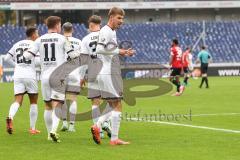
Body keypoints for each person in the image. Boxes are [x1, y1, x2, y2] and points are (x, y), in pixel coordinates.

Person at [24, 16, 80, 142]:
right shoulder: (62, 38)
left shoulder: (40, 39)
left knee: (48, 106)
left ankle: (49, 134)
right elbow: (72, 55)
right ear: (58, 25)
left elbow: (27, 55)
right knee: (58, 105)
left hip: (44, 77)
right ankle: (54, 131)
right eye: (60, 25)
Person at [90, 7, 135, 145]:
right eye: (119, 18)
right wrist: (121, 51)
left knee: (111, 105)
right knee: (118, 105)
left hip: (108, 71)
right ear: (111, 17)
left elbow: (108, 50)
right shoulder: (106, 31)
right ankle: (114, 139)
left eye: (122, 18)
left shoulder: (112, 32)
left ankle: (97, 125)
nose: (121, 21)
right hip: (108, 72)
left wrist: (122, 52)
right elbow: (99, 49)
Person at [81, 15, 112, 139]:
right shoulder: (106, 34)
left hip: (93, 70)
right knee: (112, 100)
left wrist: (82, 76)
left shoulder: (85, 39)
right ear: (100, 23)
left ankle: (98, 130)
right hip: (105, 69)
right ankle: (105, 122)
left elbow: (83, 60)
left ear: (90, 25)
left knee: (95, 101)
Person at [5, 27, 40, 135]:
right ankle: (32, 128)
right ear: (33, 34)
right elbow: (38, 62)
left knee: (18, 100)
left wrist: (17, 65)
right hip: (30, 75)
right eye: (37, 33)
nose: (38, 35)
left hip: (18, 75)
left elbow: (6, 58)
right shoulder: (35, 44)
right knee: (33, 102)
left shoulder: (17, 44)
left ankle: (10, 117)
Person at [60, 22, 83, 132]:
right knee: (73, 99)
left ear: (62, 30)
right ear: (72, 30)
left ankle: (64, 122)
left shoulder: (60, 40)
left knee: (62, 99)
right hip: (75, 72)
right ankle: (72, 126)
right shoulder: (79, 41)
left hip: (62, 72)